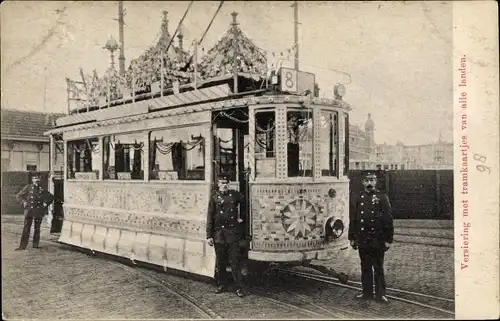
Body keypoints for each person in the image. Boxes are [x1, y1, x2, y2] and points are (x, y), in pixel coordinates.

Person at [348, 170, 394, 303]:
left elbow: (388, 219)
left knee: (378, 267)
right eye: (367, 181)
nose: (369, 183)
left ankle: (380, 294)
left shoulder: (382, 197)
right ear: (363, 182)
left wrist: (388, 240)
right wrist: (352, 238)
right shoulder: (357, 197)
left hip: (377, 239)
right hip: (363, 239)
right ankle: (366, 293)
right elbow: (353, 219)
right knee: (365, 267)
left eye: (372, 180)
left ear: (375, 182)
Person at [206, 174, 246, 297]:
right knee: (220, 262)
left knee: (235, 262)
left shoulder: (235, 195)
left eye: (226, 183)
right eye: (222, 183)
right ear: (218, 184)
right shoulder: (214, 197)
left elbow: (245, 204)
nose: (224, 185)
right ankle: (221, 284)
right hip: (219, 234)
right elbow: (210, 216)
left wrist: (242, 218)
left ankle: (238, 287)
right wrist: (209, 235)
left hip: (232, 234)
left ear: (229, 184)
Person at [15, 172, 54, 250]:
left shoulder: (42, 189)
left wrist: (45, 204)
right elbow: (18, 196)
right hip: (29, 211)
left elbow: (51, 197)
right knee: (26, 228)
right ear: (32, 180)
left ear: (40, 179)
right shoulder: (28, 187)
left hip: (38, 211)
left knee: (37, 228)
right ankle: (22, 246)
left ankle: (35, 245)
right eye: (35, 178)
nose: (37, 180)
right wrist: (24, 202)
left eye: (38, 178)